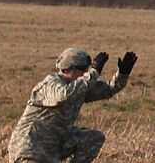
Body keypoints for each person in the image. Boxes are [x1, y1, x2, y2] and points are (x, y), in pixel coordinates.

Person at [7, 48, 136, 163]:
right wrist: (93, 73)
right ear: (68, 70)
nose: (86, 73)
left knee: (93, 138)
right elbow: (63, 95)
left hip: (53, 146)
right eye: (84, 70)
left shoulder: (79, 86)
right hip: (30, 149)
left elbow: (107, 89)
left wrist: (122, 74)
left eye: (88, 69)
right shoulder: (50, 84)